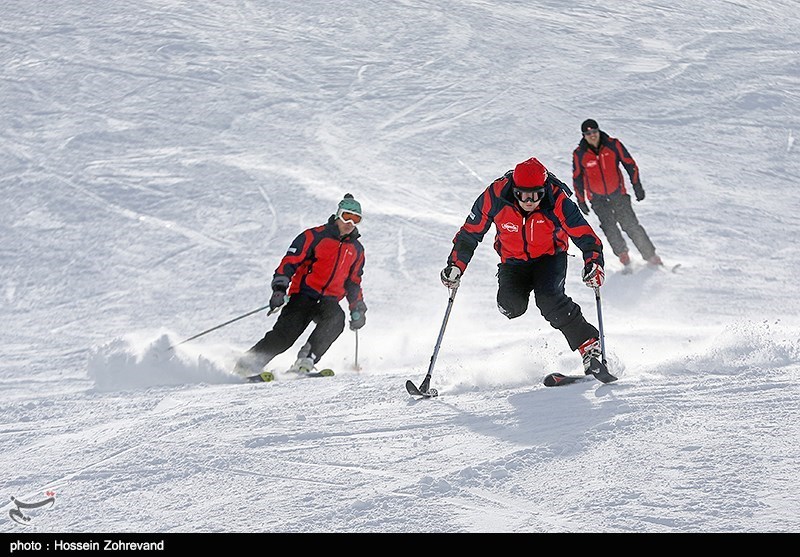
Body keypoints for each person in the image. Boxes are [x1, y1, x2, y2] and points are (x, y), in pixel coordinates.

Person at [440, 157, 609, 377]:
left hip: (550, 257)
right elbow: (470, 233)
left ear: (544, 190)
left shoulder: (557, 199)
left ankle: (589, 346)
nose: (529, 201)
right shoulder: (495, 196)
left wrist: (593, 262)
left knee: (549, 300)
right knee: (511, 306)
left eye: (536, 195)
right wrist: (456, 265)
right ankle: (513, 302)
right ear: (514, 191)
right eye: (523, 195)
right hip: (513, 261)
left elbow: (585, 235)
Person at [234, 193, 367, 382]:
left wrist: (357, 308)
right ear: (338, 214)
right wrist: (279, 289)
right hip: (303, 295)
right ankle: (248, 364)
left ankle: (306, 361)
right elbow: (290, 262)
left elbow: (353, 282)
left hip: (328, 300)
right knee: (285, 336)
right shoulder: (314, 236)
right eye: (347, 216)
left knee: (336, 319)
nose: (350, 223)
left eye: (356, 219)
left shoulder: (357, 250)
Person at [572, 118, 662, 270]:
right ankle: (622, 254)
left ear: (598, 131)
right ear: (583, 136)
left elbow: (630, 164)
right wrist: (581, 200)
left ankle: (650, 255)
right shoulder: (579, 154)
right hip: (597, 199)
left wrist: (637, 186)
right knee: (609, 227)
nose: (592, 135)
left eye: (594, 131)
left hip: (618, 193)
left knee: (630, 224)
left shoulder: (613, 145)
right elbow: (577, 178)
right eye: (588, 133)